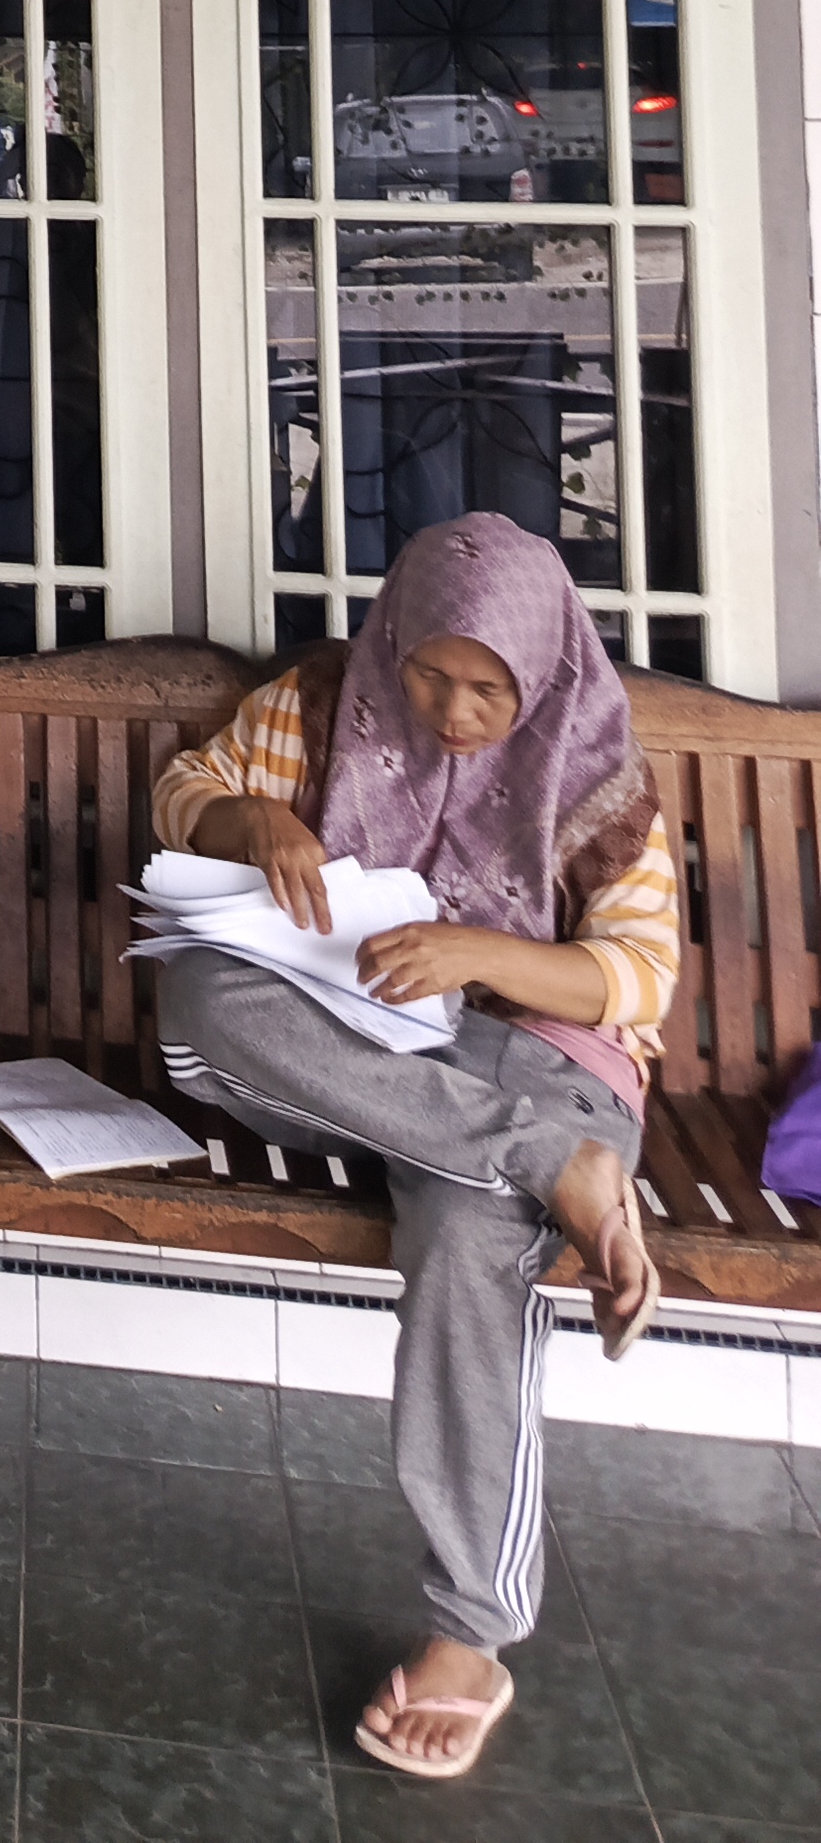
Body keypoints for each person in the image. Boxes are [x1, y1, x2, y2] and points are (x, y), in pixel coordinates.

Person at [147, 515, 676, 1784]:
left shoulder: (595, 763)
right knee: (199, 1004)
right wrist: (250, 822)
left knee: (465, 1227)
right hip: (362, 1041)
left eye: (490, 687)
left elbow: (639, 974)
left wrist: (478, 951)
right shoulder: (320, 701)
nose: (453, 710)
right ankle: (548, 1163)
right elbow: (184, 788)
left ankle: (470, 1634)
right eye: (431, 673)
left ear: (544, 670)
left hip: (539, 1051)